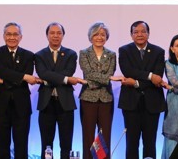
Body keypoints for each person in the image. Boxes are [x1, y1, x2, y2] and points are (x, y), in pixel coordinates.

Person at [0, 22, 40, 159]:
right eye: (9, 34)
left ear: (21, 37)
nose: (12, 37)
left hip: (21, 104)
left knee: (21, 144)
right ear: (4, 36)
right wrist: (23, 77)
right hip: (0, 104)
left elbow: (23, 72)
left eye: (15, 34)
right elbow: (1, 70)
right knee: (1, 144)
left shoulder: (29, 55)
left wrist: (4, 79)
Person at [35, 22, 84, 159]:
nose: (55, 36)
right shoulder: (39, 55)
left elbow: (68, 71)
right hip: (46, 103)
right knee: (46, 144)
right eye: (52, 33)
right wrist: (66, 79)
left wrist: (50, 77)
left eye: (59, 33)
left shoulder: (71, 54)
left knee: (66, 144)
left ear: (63, 35)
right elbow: (42, 73)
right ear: (47, 35)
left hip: (65, 104)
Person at [118, 21, 166, 159]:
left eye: (143, 31)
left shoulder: (158, 51)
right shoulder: (124, 50)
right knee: (131, 143)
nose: (140, 34)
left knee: (150, 143)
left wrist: (136, 82)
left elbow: (158, 77)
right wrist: (149, 76)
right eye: (136, 32)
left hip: (152, 103)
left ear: (148, 33)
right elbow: (128, 71)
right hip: (131, 103)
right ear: (131, 35)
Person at [79, 22, 116, 159]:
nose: (99, 37)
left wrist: (92, 82)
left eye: (102, 34)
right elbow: (88, 74)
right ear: (90, 37)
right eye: (96, 34)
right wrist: (106, 79)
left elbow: (110, 72)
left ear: (106, 37)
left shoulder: (111, 54)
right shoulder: (84, 53)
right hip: (88, 99)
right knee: (88, 136)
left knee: (104, 137)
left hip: (106, 99)